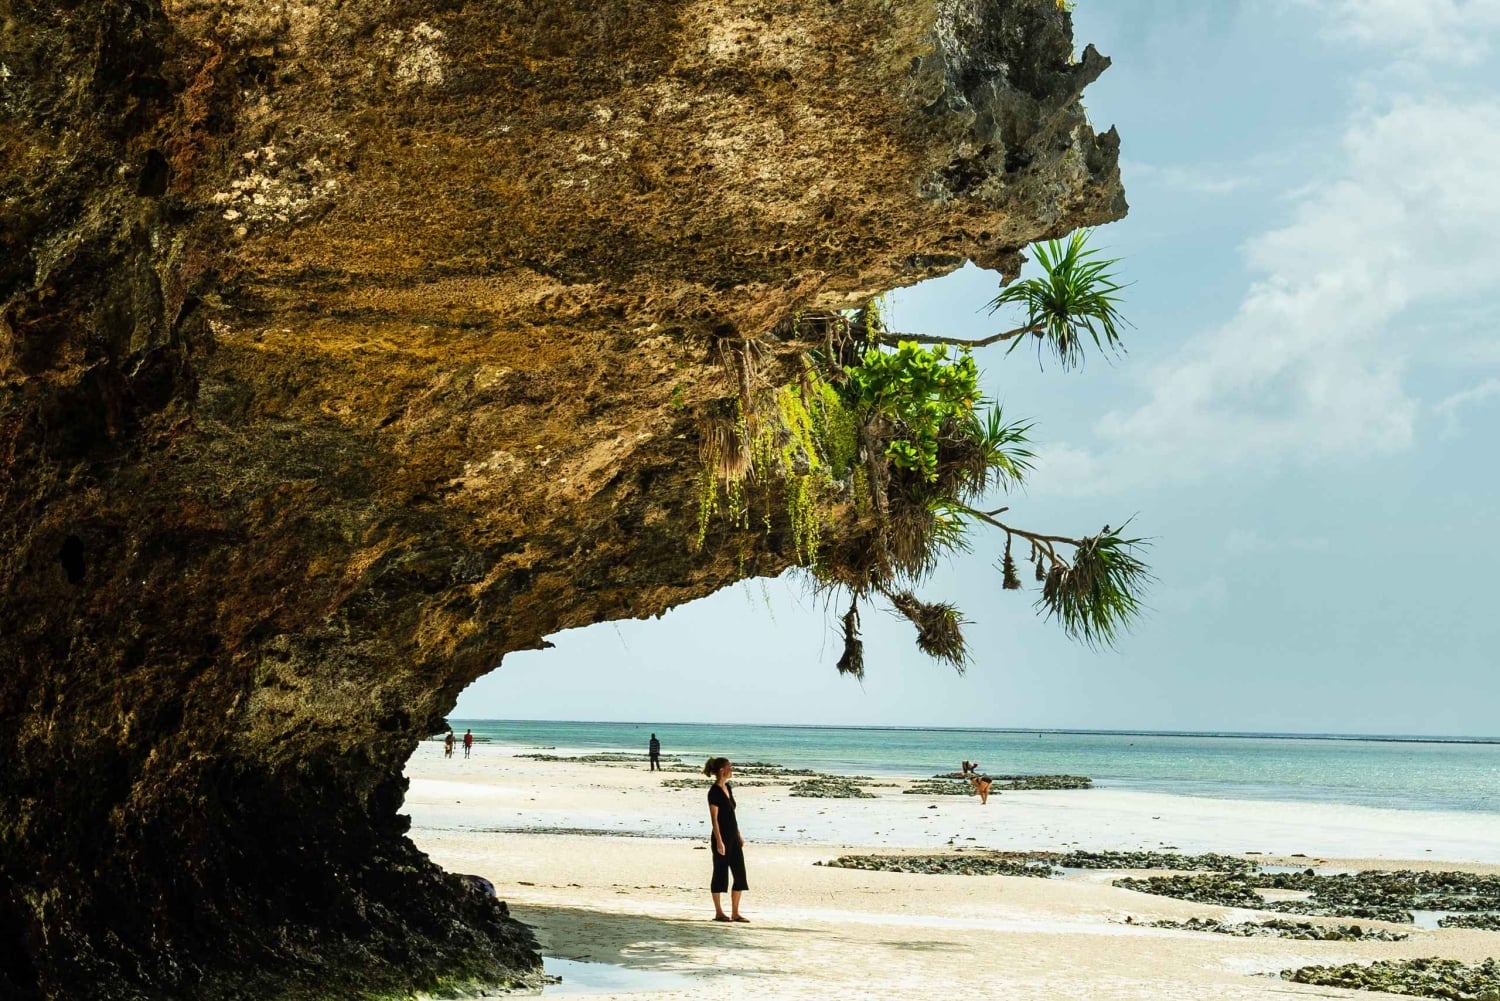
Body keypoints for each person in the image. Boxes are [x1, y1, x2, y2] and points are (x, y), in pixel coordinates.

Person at [704, 756, 748, 922]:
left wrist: (739, 835)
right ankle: (719, 912)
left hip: (733, 837)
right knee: (720, 874)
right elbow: (714, 819)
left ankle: (735, 913)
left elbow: (731, 815)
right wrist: (719, 841)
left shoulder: (728, 787)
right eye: (730, 766)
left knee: (740, 875)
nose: (732, 769)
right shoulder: (713, 791)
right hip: (721, 838)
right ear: (722, 770)